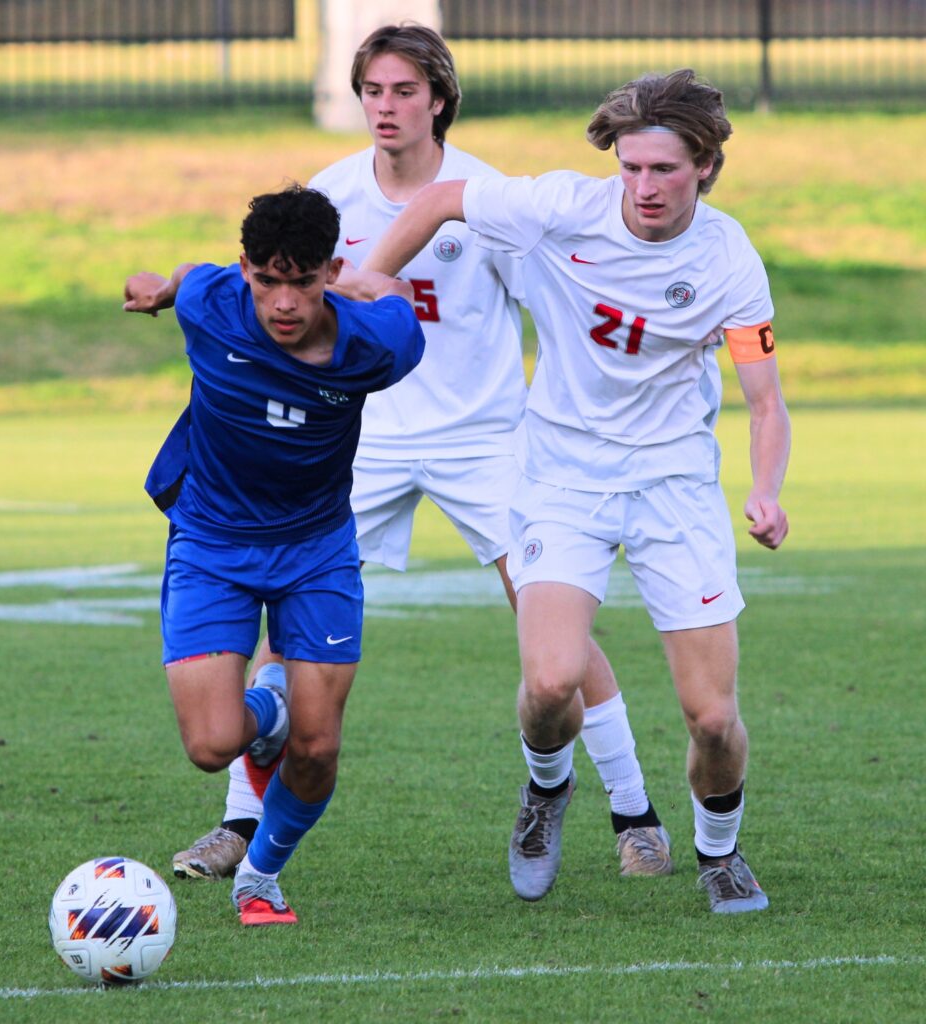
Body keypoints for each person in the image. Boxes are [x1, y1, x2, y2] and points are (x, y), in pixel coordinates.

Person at [171, 24, 672, 897]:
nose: (386, 107)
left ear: (439, 97)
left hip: (483, 436)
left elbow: (554, 309)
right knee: (285, 633)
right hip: (356, 440)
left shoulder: (484, 197)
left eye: (405, 91)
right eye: (373, 90)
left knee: (553, 619)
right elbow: (262, 301)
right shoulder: (328, 198)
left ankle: (634, 815)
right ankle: (241, 823)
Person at [361, 68, 791, 914]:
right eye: (630, 168)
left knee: (712, 717)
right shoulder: (561, 206)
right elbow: (445, 198)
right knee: (552, 682)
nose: (643, 188)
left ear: (704, 165)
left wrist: (766, 490)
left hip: (673, 485)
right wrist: (371, 276)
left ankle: (719, 852)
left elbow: (765, 400)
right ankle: (546, 791)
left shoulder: (729, 259)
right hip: (563, 477)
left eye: (663, 170)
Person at [122, 184, 425, 925]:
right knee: (212, 745)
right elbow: (192, 276)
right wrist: (160, 291)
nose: (283, 302)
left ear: (331, 270)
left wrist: (364, 283)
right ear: (245, 271)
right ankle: (270, 706)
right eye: (267, 280)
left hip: (316, 548)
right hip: (211, 544)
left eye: (303, 280)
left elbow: (391, 294)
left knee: (318, 750)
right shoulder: (211, 303)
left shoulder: (379, 344)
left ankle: (260, 875)